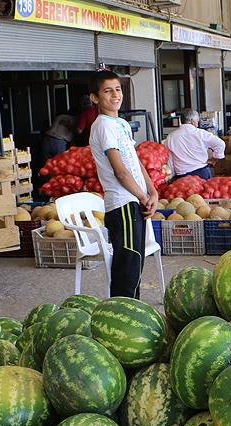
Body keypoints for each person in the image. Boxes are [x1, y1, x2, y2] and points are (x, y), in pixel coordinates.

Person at [88, 70, 158, 299]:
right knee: (126, 273)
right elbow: (120, 171)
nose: (115, 95)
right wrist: (142, 196)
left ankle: (133, 318)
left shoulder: (120, 124)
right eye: (107, 91)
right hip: (123, 206)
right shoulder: (103, 126)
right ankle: (119, 320)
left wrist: (152, 191)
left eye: (117, 89)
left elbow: (135, 162)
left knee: (135, 268)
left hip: (134, 202)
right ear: (95, 98)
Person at [165, 109, 225, 180]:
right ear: (192, 122)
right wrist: (215, 158)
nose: (197, 124)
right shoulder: (201, 134)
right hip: (202, 173)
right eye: (197, 121)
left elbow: (169, 159)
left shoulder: (170, 137)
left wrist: (173, 175)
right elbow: (220, 144)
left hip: (182, 177)